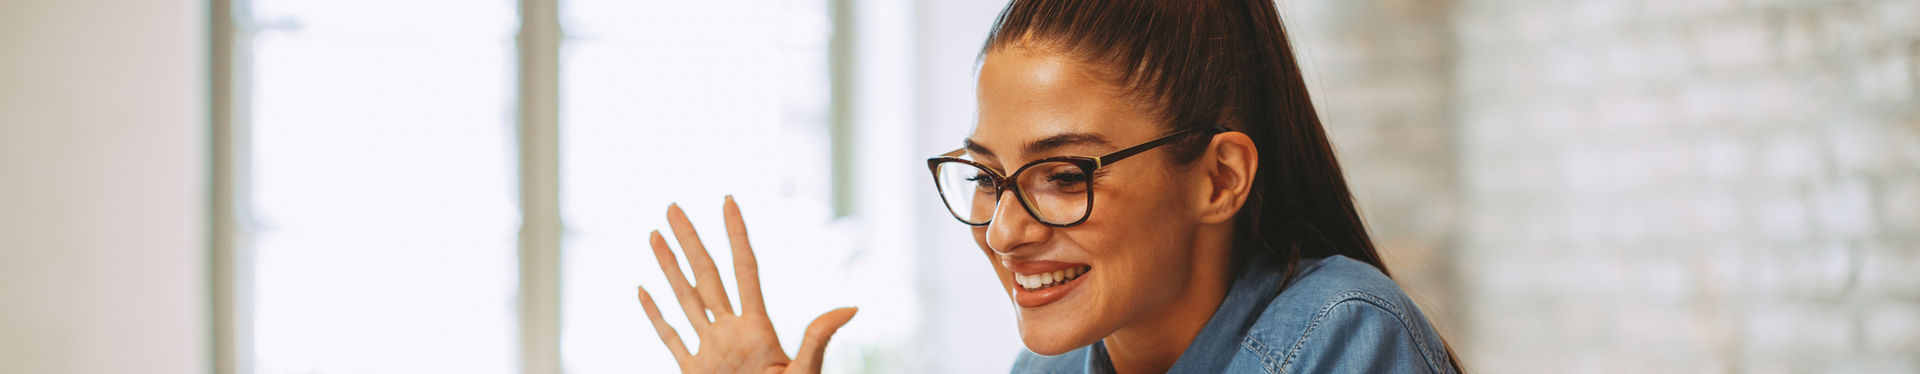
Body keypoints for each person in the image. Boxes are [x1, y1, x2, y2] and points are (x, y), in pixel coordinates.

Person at [635, 0, 1465, 372]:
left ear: (1218, 178)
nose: (1003, 231)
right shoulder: (1054, 371)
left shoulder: (1344, 338)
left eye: (1063, 175)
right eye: (989, 178)